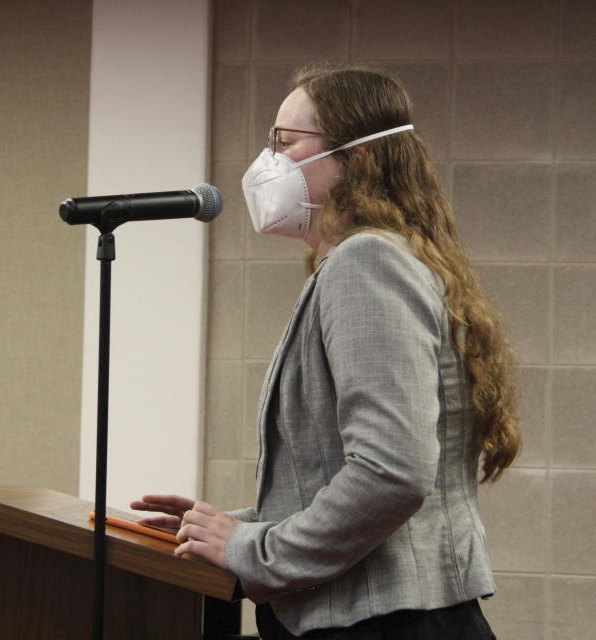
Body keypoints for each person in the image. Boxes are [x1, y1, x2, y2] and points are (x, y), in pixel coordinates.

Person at [131, 64, 520, 639]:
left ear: (356, 159)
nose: (268, 163)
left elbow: (392, 473)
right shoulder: (374, 258)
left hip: (385, 625)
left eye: (285, 144)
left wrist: (256, 549)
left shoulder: (367, 263)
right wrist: (228, 528)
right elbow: (338, 473)